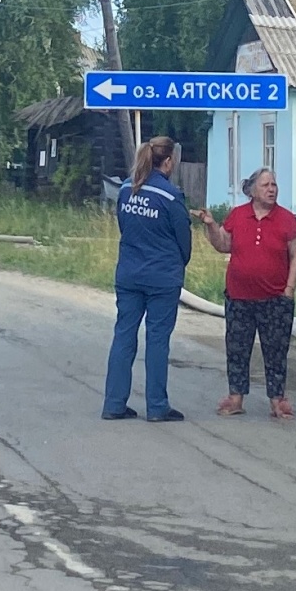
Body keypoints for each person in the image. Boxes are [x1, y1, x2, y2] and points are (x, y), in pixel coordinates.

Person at [198, 168, 296, 418]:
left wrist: (289, 289)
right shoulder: (238, 215)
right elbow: (223, 245)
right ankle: (235, 398)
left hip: (275, 299)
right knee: (237, 348)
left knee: (276, 350)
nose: (272, 189)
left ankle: (277, 400)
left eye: (274, 185)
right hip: (239, 297)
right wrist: (212, 225)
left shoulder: (287, 219)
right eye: (266, 185)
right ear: (252, 190)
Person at [102, 136, 191, 423]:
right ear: (168, 162)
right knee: (157, 340)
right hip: (162, 277)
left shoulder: (127, 189)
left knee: (124, 336)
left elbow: (124, 226)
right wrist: (177, 264)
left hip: (129, 273)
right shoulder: (170, 195)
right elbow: (184, 242)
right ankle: (157, 406)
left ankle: (114, 403)